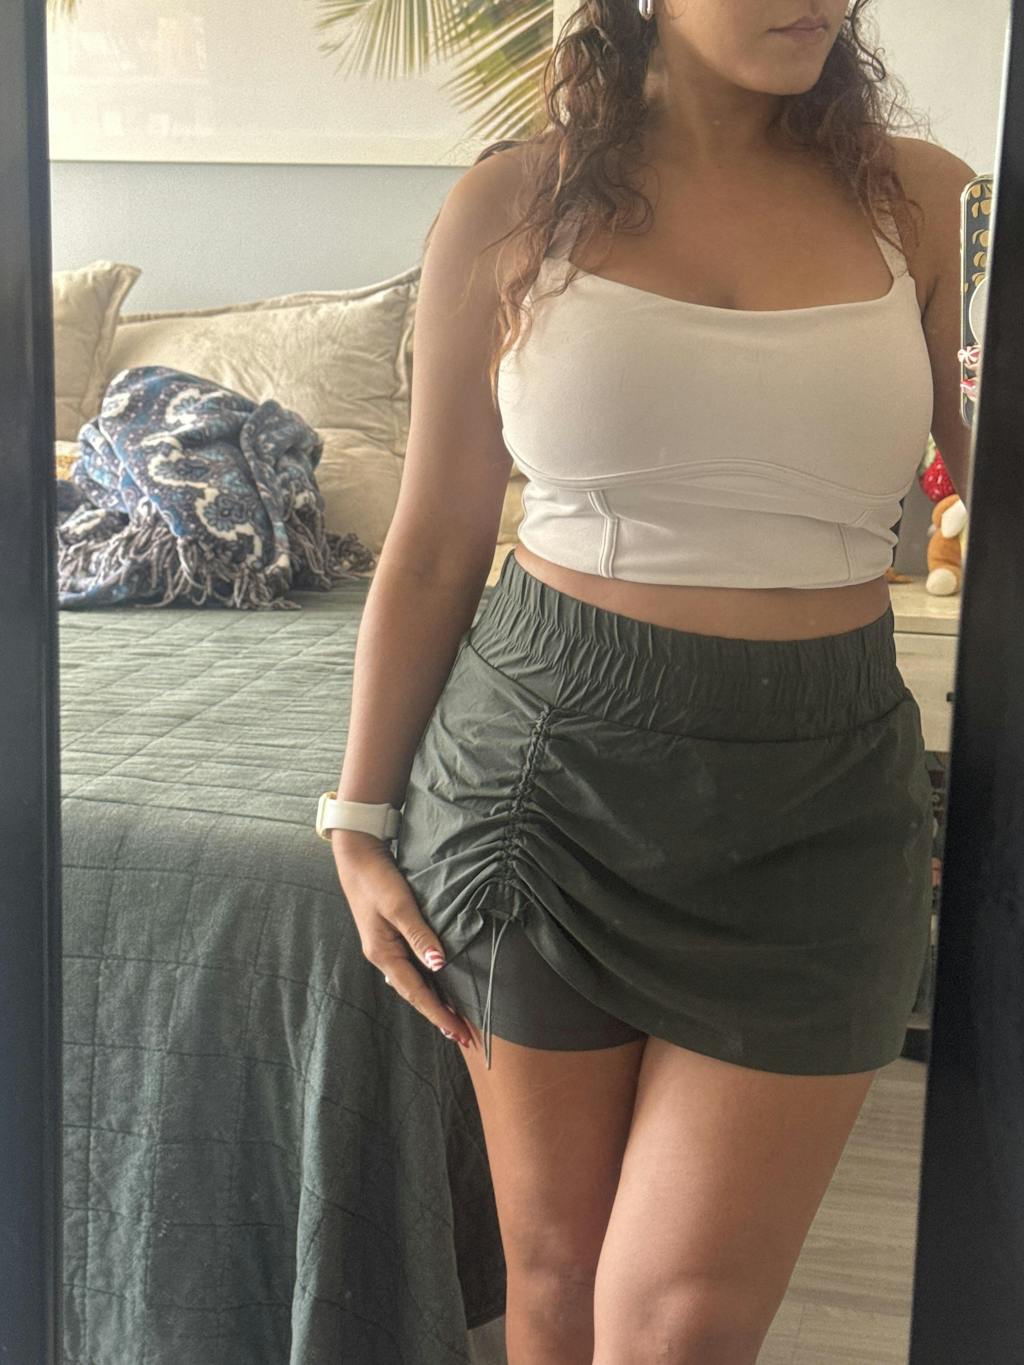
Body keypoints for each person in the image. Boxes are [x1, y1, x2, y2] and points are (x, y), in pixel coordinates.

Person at [328, 2, 975, 1360]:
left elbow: (985, 485)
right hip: (541, 787)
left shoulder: (924, 201)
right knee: (557, 1278)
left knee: (677, 1320)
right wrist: (360, 819)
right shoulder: (512, 203)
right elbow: (438, 539)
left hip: (823, 798)